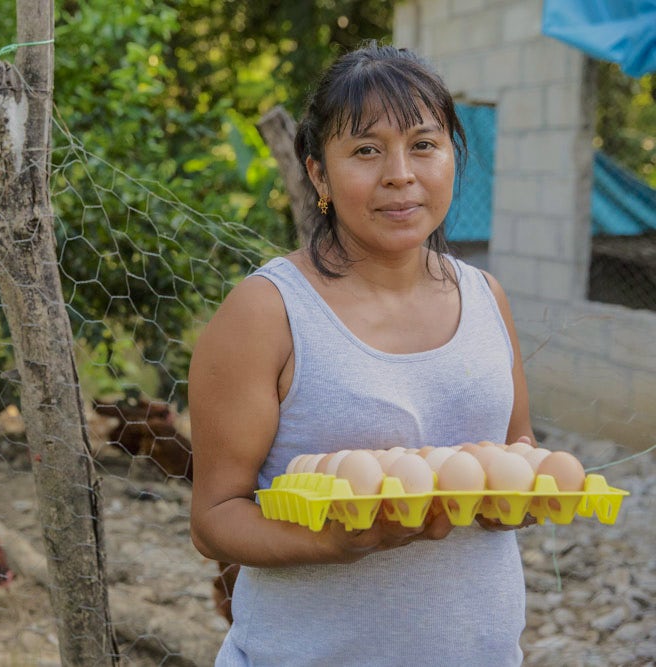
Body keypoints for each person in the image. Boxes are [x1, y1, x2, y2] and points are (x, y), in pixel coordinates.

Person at [188, 41, 536, 666]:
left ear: (454, 156)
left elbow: (517, 454)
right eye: (366, 151)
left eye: (424, 145)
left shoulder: (487, 299)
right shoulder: (268, 313)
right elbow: (215, 516)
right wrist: (335, 543)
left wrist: (519, 500)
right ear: (318, 173)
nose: (400, 173)